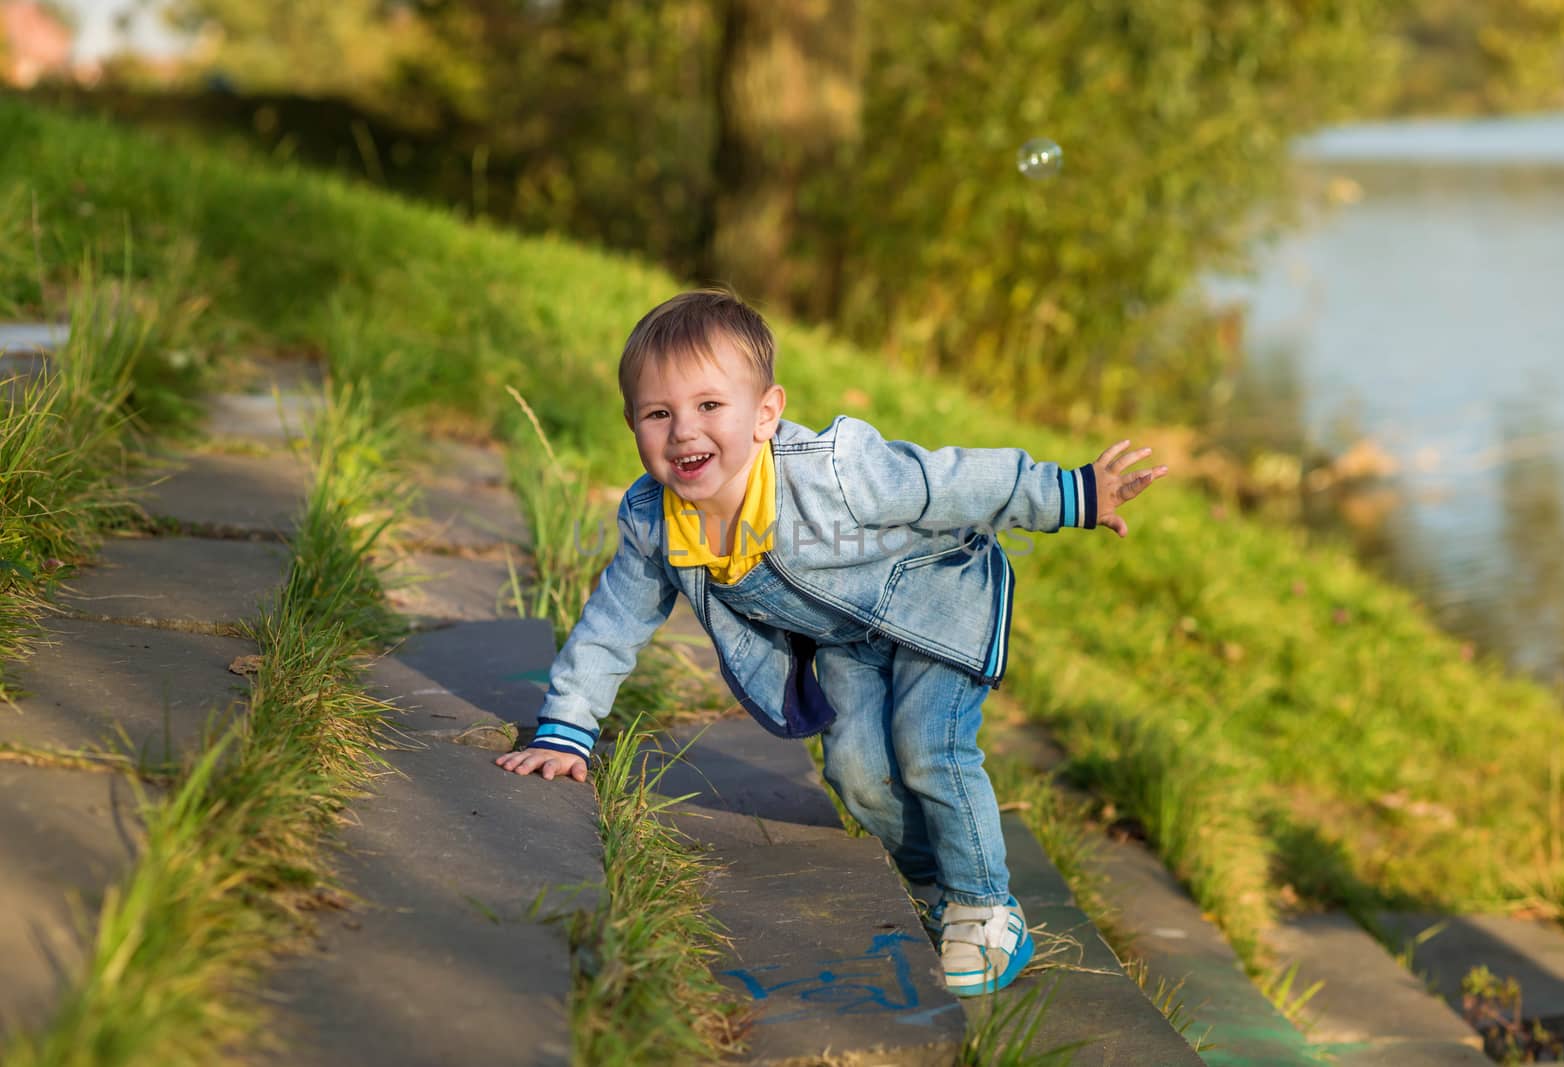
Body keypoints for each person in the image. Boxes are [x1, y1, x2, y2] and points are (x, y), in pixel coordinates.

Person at [495, 288, 1167, 995]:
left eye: (709, 406)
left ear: (766, 413)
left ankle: (987, 906)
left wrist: (1070, 493)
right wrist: (566, 726)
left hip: (940, 603)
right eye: (658, 413)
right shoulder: (656, 521)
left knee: (926, 745)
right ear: (632, 422)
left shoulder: (832, 468)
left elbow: (945, 481)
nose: (683, 431)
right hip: (847, 641)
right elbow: (612, 622)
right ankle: (936, 882)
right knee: (855, 770)